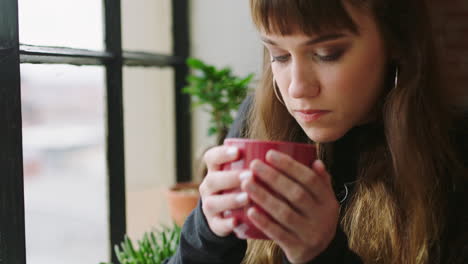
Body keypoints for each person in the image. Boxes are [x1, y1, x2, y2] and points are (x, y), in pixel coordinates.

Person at [164, 0, 467, 263]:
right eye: (279, 55)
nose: (297, 87)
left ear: (397, 43)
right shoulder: (257, 122)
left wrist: (320, 254)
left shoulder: (454, 155)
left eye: (326, 54)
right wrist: (208, 234)